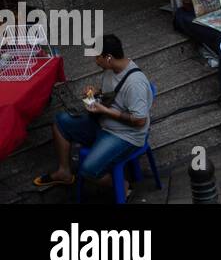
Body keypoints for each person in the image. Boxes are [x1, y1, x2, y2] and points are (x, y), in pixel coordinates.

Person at [34, 34, 153, 191]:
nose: (96, 61)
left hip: (125, 135)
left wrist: (105, 110)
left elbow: (140, 121)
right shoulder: (112, 69)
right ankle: (64, 172)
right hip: (103, 123)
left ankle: (123, 185)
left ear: (108, 57)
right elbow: (113, 94)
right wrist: (96, 92)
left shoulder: (135, 83)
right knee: (60, 121)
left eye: (98, 57)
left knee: (88, 170)